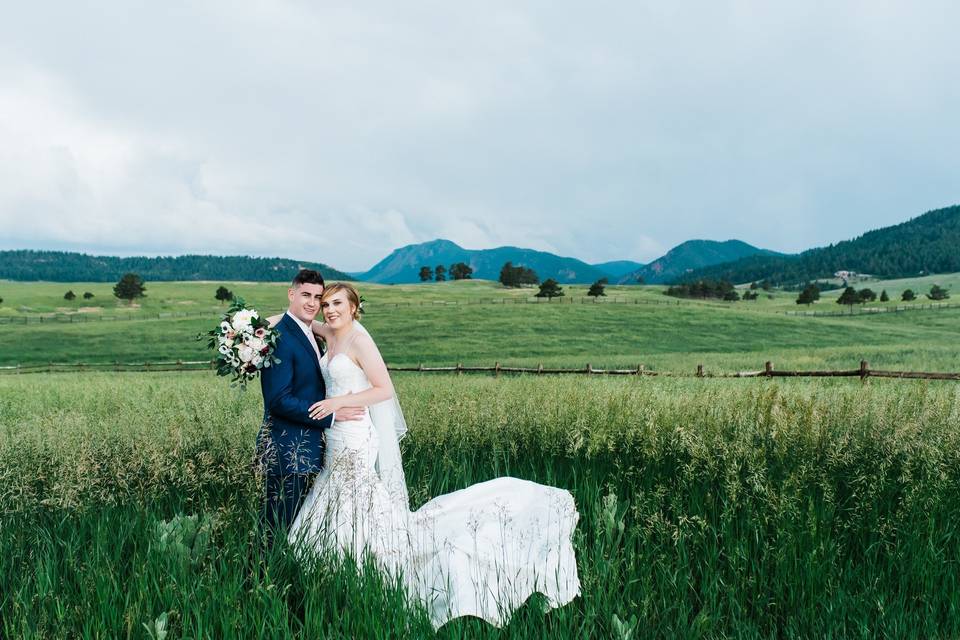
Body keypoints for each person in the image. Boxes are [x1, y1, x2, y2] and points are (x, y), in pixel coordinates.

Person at [287, 282, 581, 629]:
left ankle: (368, 569)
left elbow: (384, 390)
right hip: (335, 435)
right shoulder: (331, 333)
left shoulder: (360, 340)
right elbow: (296, 321)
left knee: (355, 496)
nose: (329, 310)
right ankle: (334, 573)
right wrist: (258, 327)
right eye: (325, 304)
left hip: (355, 435)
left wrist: (338, 403)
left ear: (354, 307)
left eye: (337, 303)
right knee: (334, 497)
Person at [256, 269, 365, 550]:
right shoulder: (280, 339)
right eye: (306, 295)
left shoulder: (306, 331)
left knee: (295, 530)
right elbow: (278, 400)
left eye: (319, 297)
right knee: (275, 530)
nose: (313, 303)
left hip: (306, 448)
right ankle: (255, 583)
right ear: (291, 294)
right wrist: (331, 414)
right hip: (286, 449)